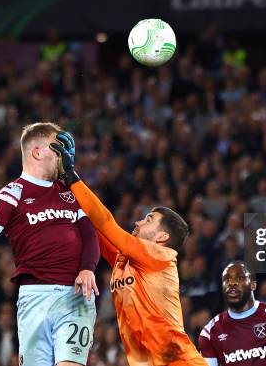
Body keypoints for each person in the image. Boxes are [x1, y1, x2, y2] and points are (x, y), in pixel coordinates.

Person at [50, 133, 208, 366]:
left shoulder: (161, 256)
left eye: (148, 219)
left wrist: (73, 176)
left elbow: (106, 222)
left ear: (162, 237)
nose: (138, 222)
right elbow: (93, 229)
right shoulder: (124, 261)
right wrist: (60, 184)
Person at [0, 122, 100, 366]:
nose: (63, 157)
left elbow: (90, 235)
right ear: (37, 152)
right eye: (57, 150)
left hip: (75, 297)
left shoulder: (71, 192)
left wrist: (87, 268)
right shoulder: (10, 194)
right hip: (34, 297)